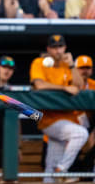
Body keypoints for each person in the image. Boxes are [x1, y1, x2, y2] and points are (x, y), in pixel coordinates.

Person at [29, 34, 88, 183]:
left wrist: (72, 66)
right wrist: (64, 88)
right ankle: (61, 170)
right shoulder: (39, 62)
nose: (58, 51)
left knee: (50, 168)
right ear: (48, 49)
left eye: (60, 47)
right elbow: (39, 85)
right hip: (48, 119)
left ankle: (55, 172)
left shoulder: (67, 66)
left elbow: (80, 86)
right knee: (81, 134)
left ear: (65, 48)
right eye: (54, 47)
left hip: (67, 119)